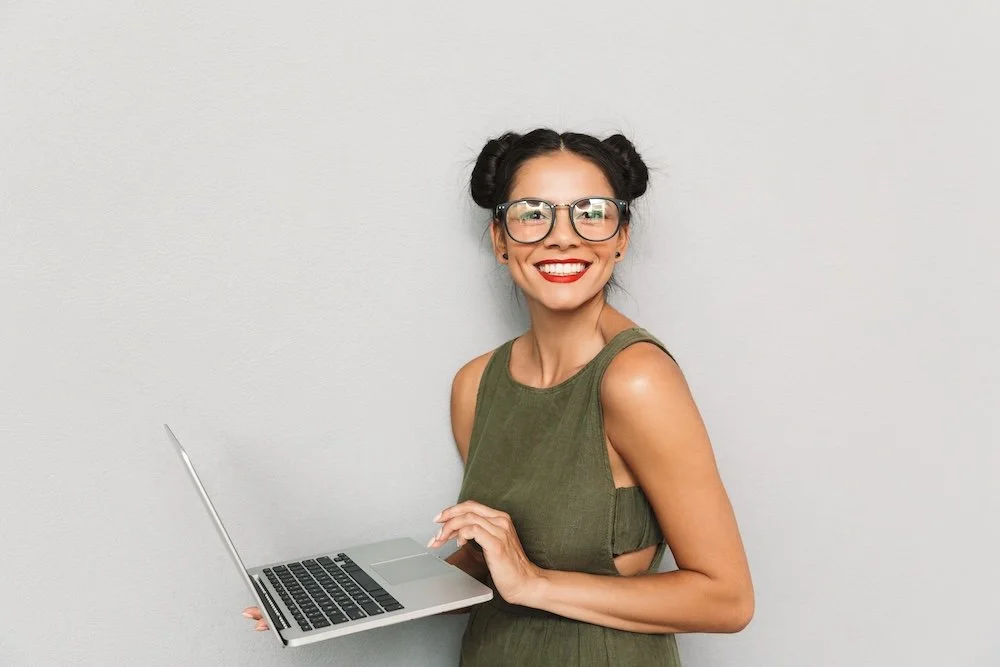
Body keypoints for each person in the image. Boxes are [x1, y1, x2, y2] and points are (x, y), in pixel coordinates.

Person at [244, 129, 754, 666]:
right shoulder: (476, 384)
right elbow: (491, 568)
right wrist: (335, 600)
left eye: (592, 212)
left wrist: (534, 583)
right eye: (534, 214)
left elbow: (728, 599)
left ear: (621, 236)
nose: (563, 237)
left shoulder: (637, 379)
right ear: (500, 238)